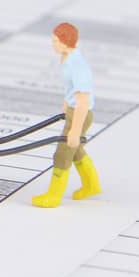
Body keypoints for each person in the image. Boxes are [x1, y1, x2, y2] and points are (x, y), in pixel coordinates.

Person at [32, 22, 101, 208]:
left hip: (80, 114)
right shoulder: (67, 58)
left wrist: (75, 130)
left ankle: (54, 195)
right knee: (76, 151)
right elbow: (72, 90)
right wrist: (66, 103)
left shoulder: (77, 65)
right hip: (73, 110)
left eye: (55, 41)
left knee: (63, 153)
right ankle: (91, 185)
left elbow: (83, 101)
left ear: (65, 41)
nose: (52, 44)